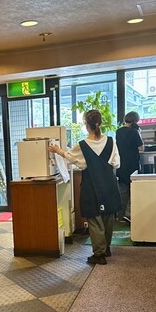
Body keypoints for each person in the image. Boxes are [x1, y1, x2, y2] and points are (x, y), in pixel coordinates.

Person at [49, 110, 121, 265]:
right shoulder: (111, 141)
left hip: (91, 186)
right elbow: (116, 163)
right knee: (108, 218)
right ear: (100, 123)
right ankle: (106, 248)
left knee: (94, 220)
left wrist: (57, 150)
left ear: (86, 125)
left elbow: (70, 157)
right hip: (109, 185)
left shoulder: (82, 145)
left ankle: (99, 254)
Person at [115, 111, 144, 223]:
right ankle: (130, 215)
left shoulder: (118, 131)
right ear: (135, 121)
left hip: (121, 165)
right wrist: (139, 133)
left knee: (123, 191)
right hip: (132, 165)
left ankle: (120, 216)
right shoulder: (134, 132)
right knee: (133, 190)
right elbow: (141, 148)